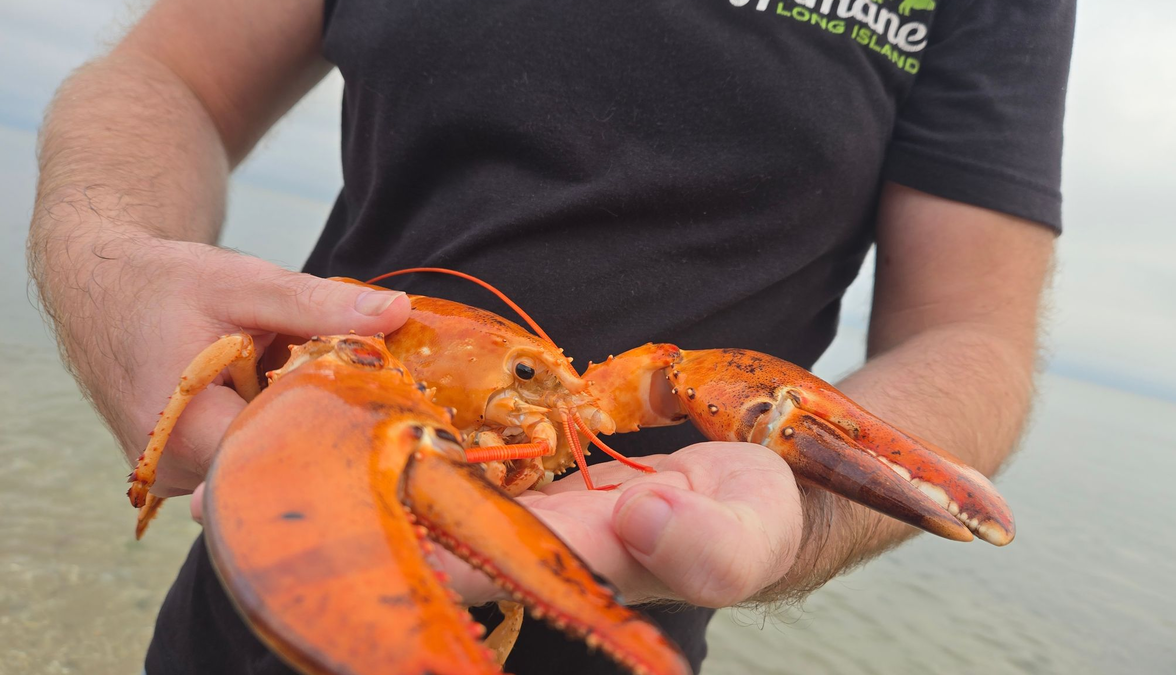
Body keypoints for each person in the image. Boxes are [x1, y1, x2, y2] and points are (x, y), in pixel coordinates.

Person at [27, 0, 1073, 672]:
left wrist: (800, 518)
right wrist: (105, 261)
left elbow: (969, 326)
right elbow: (170, 74)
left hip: (631, 607)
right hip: (263, 578)